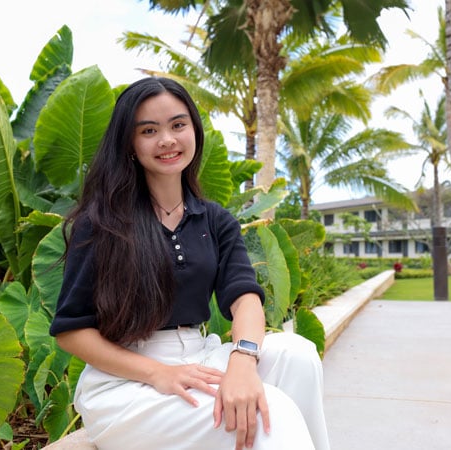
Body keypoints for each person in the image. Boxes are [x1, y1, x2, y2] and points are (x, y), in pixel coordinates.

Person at [49, 77, 330, 450]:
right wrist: (158, 373)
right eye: (149, 130)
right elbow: (71, 331)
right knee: (271, 411)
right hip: (126, 381)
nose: (167, 140)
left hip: (199, 355)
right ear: (130, 145)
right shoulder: (102, 223)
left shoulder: (214, 220)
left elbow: (245, 297)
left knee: (298, 355)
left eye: (178, 125)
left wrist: (243, 363)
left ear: (194, 132)